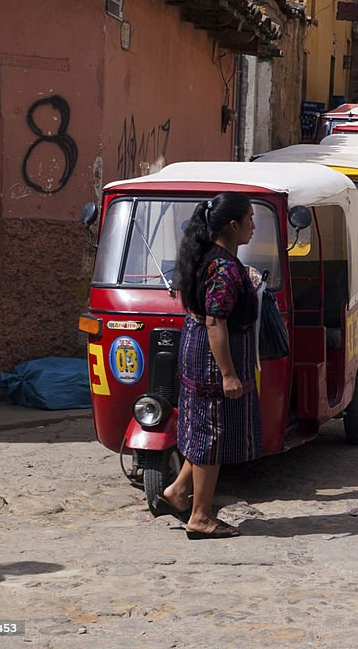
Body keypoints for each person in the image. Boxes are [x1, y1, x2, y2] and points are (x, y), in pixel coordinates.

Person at [158, 192, 261, 539]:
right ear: (232, 226)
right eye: (249, 219)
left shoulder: (207, 257)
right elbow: (217, 322)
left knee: (202, 428)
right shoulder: (224, 268)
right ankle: (201, 517)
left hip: (197, 349)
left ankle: (177, 490)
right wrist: (229, 374)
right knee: (210, 434)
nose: (253, 225)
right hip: (212, 358)